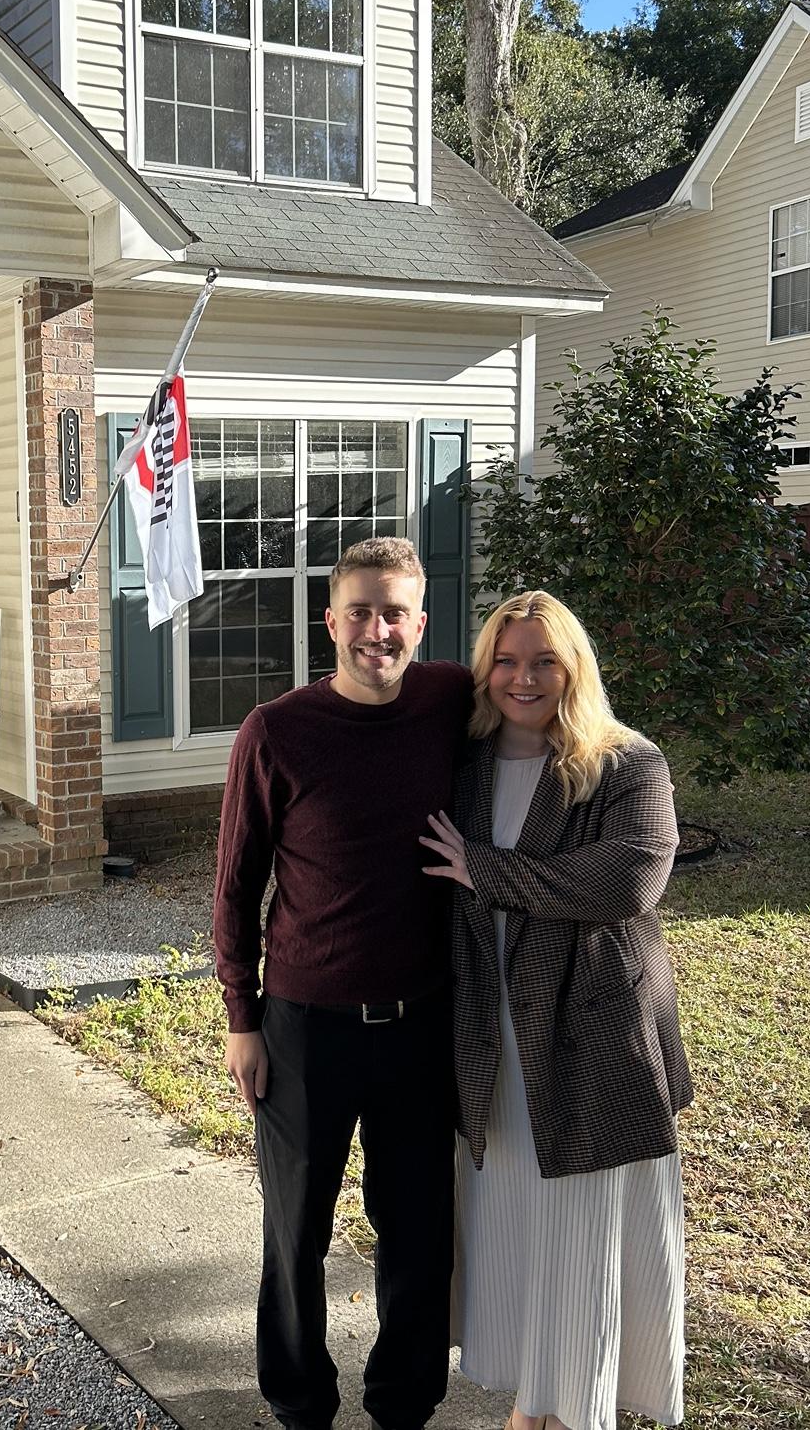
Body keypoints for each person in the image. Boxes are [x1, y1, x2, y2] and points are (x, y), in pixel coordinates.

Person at [214, 536, 473, 1430]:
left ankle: (404, 1406)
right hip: (305, 1024)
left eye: (395, 612)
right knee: (296, 1233)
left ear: (421, 624)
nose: (377, 630)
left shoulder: (448, 701)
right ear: (330, 622)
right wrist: (243, 1018)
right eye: (360, 611)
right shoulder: (276, 731)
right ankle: (300, 1405)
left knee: (419, 1234)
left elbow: (548, 704)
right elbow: (236, 886)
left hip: (421, 1022)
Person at [420, 590, 692, 1430]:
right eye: (505, 660)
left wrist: (484, 869)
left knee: (581, 1226)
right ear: (485, 670)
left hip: (591, 1037)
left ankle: (571, 1406)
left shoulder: (626, 762)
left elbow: (627, 880)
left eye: (544, 660)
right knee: (511, 1218)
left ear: (575, 667)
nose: (524, 678)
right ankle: (531, 1404)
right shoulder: (463, 763)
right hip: (488, 1030)